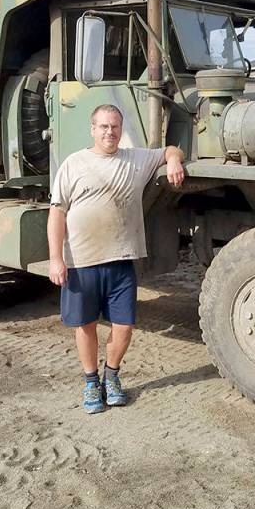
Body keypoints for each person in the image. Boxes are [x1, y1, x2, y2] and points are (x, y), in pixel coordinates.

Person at [48, 104, 185, 414]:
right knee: (86, 325)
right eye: (103, 127)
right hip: (80, 262)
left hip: (121, 260)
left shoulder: (134, 159)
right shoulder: (73, 164)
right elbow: (56, 213)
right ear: (92, 129)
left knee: (124, 327)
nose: (109, 132)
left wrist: (174, 159)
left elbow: (170, 149)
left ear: (120, 130)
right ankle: (90, 382)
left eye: (114, 127)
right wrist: (56, 258)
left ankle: (112, 376)